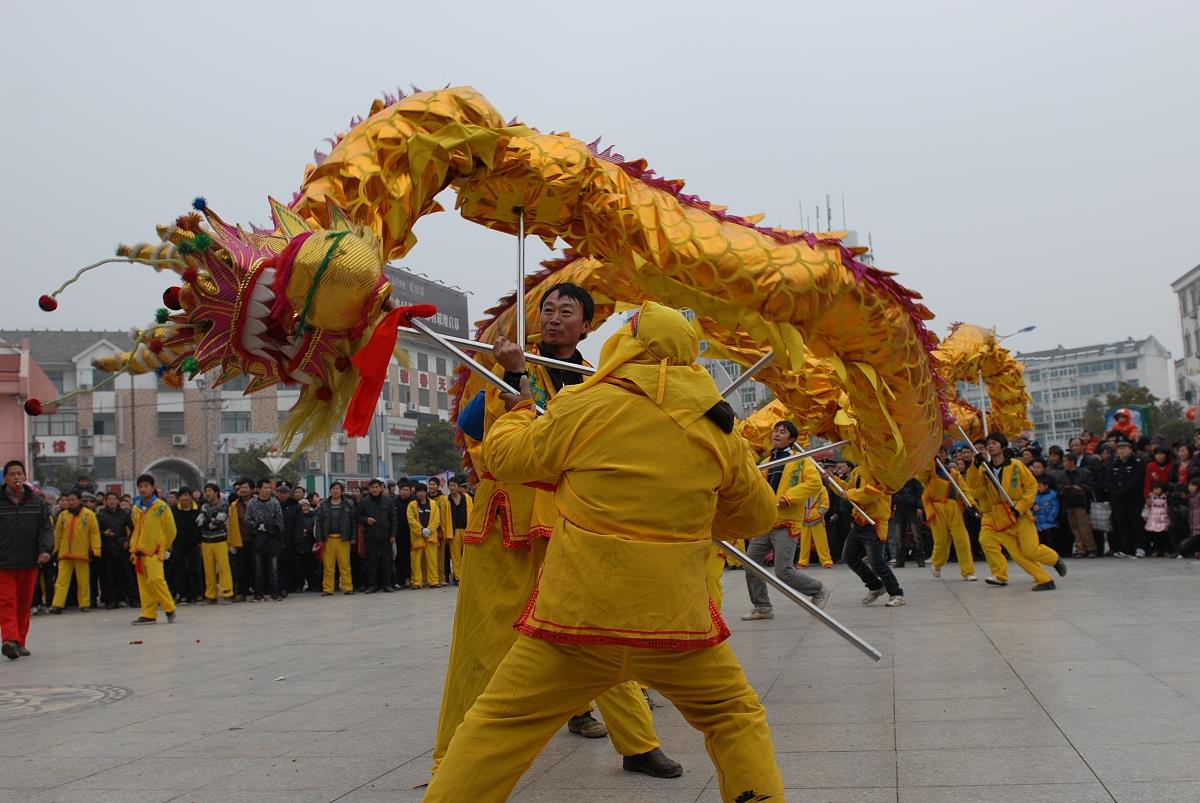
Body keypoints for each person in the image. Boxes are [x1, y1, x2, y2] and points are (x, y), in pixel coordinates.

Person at [424, 301, 784, 803]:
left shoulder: (584, 405)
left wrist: (518, 411)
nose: (552, 318)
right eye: (547, 310)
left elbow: (506, 458)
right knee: (734, 716)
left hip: (574, 622)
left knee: (498, 727)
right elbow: (756, 517)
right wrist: (697, 517)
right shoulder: (719, 430)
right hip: (678, 626)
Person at [433, 283, 678, 780]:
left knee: (598, 631)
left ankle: (637, 743)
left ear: (586, 325)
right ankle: (451, 759)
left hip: (574, 520)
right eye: (548, 309)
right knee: (483, 643)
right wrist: (512, 373)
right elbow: (483, 434)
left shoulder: (597, 380)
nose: (554, 318)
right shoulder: (505, 363)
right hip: (508, 522)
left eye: (568, 311)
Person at [741, 420, 831, 620]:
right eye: (775, 431)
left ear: (791, 439)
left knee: (783, 572)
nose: (777, 434)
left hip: (786, 524)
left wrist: (788, 497)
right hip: (765, 522)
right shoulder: (766, 463)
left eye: (782, 432)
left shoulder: (801, 460)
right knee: (750, 563)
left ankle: (818, 590)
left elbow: (814, 484)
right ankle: (762, 607)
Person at [965, 433, 1066, 591]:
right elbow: (975, 491)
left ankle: (1054, 559)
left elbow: (1031, 486)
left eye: (994, 443)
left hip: (1019, 512)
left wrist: (1020, 507)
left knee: (1030, 549)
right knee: (1017, 554)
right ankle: (1044, 580)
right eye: (988, 444)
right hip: (1000, 516)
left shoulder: (1016, 465)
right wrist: (974, 467)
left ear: (1003, 446)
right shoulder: (985, 470)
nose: (990, 446)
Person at [0, 461, 52, 658]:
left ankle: (19, 642)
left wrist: (46, 550)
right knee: (6, 602)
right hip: (3, 563)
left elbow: (46, 529)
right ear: (5, 478)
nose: (16, 477)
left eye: (19, 474)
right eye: (12, 474)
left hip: (29, 561)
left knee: (23, 604)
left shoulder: (36, 502)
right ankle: (9, 640)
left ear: (25, 477)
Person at [837, 464, 906, 606]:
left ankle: (896, 593)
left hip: (875, 522)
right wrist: (833, 480)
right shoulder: (857, 470)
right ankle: (875, 586)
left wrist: (849, 494)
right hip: (859, 521)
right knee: (850, 557)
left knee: (876, 561)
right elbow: (848, 488)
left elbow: (872, 494)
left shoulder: (879, 470)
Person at [922, 447, 977, 581]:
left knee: (962, 539)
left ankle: (967, 571)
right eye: (936, 451)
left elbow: (964, 490)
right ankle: (937, 562)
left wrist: (972, 504)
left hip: (954, 507)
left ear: (945, 454)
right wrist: (929, 462)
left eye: (941, 451)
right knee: (941, 540)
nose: (939, 454)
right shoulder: (929, 472)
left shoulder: (954, 473)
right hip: (936, 508)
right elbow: (920, 476)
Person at [129, 473, 178, 624]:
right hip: (139, 551)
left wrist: (164, 546)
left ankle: (169, 607)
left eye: (146, 486)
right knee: (144, 585)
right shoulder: (136, 509)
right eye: (140, 487)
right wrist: (133, 548)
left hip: (155, 550)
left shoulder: (161, 507)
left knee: (156, 580)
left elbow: (171, 530)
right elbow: (136, 529)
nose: (143, 489)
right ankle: (148, 614)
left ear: (152, 488)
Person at [48, 489, 100, 613]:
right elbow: (57, 534)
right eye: (68, 500)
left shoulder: (89, 515)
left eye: (72, 500)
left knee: (83, 580)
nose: (70, 502)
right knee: (61, 581)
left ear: (79, 500)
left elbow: (94, 533)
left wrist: (95, 550)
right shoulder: (63, 515)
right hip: (64, 553)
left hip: (82, 553)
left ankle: (84, 603)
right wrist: (55, 549)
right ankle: (57, 604)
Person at [1104, 437, 1145, 558]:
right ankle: (1126, 548)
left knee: (1136, 523)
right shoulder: (1113, 463)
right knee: (1122, 524)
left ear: (1130, 449)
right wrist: (1116, 491)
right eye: (1119, 448)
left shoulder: (1137, 463)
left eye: (1124, 448)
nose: (1121, 451)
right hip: (1117, 499)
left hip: (1133, 498)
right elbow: (1109, 479)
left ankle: (1139, 547)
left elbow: (1137, 480)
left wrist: (1124, 490)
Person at [246, 479, 284, 601]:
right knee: (258, 569)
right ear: (258, 489)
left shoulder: (275, 503)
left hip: (272, 540)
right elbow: (247, 520)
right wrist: (257, 525)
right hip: (258, 540)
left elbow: (280, 521)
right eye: (265, 488)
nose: (267, 490)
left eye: (269, 488)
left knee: (273, 569)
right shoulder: (252, 503)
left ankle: (275, 594)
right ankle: (259, 595)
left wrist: (269, 526)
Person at [316, 481, 355, 595]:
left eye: (337, 489)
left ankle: (347, 587)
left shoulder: (349, 504)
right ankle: (328, 589)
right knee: (328, 566)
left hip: (344, 539)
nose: (335, 491)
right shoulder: (323, 504)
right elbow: (318, 523)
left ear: (342, 491)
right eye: (333, 489)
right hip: (328, 539)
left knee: (345, 565)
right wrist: (319, 539)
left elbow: (353, 522)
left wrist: (353, 537)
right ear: (330, 490)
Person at [197, 483, 233, 603]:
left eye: (210, 491)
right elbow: (199, 522)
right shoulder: (204, 506)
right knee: (208, 569)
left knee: (223, 568)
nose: (207, 493)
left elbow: (219, 521)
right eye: (206, 491)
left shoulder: (223, 505)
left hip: (220, 540)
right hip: (206, 541)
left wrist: (209, 521)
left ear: (216, 492)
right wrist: (210, 520)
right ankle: (211, 595)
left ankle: (227, 592)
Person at [358, 478, 396, 593]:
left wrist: (393, 534)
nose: (374, 489)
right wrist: (366, 519)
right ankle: (372, 585)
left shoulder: (388, 501)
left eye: (377, 487)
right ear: (369, 489)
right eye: (372, 487)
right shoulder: (364, 502)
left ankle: (387, 584)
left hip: (385, 536)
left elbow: (393, 519)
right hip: (370, 536)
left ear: (381, 488)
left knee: (386, 561)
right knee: (371, 562)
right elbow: (358, 516)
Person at [96, 491, 132, 608]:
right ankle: (112, 600)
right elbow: (94, 532)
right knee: (109, 575)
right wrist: (103, 533)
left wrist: (128, 540)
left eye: (114, 499)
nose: (112, 501)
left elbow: (133, 529)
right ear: (105, 501)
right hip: (107, 547)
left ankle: (129, 597)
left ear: (118, 501)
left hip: (121, 546)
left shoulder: (125, 514)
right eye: (109, 499)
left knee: (125, 573)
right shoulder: (100, 515)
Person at [1059, 453, 1098, 558]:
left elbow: (1091, 487)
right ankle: (1080, 548)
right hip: (1068, 504)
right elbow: (1059, 487)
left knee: (1085, 527)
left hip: (1081, 503)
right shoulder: (1063, 475)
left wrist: (1080, 488)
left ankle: (1091, 548)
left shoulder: (1084, 473)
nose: (1063, 464)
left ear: (1071, 462)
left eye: (1065, 461)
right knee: (1074, 529)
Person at [169, 486, 203, 604]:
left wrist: (200, 541)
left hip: (194, 544)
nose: (185, 498)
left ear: (191, 497)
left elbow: (201, 528)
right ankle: (183, 594)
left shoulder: (197, 509)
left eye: (187, 495)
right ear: (179, 498)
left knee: (195, 569)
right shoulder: (173, 510)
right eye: (182, 495)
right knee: (180, 570)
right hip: (178, 544)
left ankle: (197, 594)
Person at [406, 485, 440, 589]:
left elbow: (436, 519)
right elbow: (411, 520)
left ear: (426, 492)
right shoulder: (412, 505)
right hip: (417, 537)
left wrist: (430, 529)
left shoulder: (434, 504)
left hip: (430, 536)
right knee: (416, 561)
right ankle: (416, 582)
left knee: (432, 560)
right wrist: (421, 530)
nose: (420, 494)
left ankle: (433, 581)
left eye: (422, 491)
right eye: (418, 492)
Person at [227, 479, 254, 601]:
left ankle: (258, 590)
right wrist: (231, 542)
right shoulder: (234, 505)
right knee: (241, 567)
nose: (242, 490)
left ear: (252, 490)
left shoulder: (256, 502)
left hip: (255, 539)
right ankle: (242, 592)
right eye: (240, 488)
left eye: (245, 487)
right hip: (241, 540)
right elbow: (231, 524)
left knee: (256, 567)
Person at [275, 482, 300, 598]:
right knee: (278, 565)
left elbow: (299, 523)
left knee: (290, 564)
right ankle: (281, 587)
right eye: (280, 492)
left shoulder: (295, 505)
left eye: (285, 492)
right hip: (276, 539)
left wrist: (296, 538)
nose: (283, 494)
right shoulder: (273, 504)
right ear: (277, 493)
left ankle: (292, 586)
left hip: (291, 539)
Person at [445, 476, 472, 584]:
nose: (452, 488)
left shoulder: (467, 498)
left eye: (454, 485)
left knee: (467, 554)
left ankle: (468, 576)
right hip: (454, 530)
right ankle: (458, 577)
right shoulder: (446, 500)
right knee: (455, 555)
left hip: (466, 529)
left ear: (458, 487)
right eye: (450, 485)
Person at [1142, 481, 1171, 556]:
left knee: (1164, 535)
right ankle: (1157, 550)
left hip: (1164, 518)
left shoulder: (1167, 496)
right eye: (1154, 489)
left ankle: (1166, 550)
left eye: (1158, 489)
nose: (1156, 490)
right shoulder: (1151, 496)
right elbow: (1148, 507)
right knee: (1155, 536)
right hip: (1153, 518)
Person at [1033, 476, 1060, 549]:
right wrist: (1034, 509)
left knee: (1050, 542)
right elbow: (1035, 509)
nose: (1038, 488)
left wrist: (1051, 519)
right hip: (1039, 523)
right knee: (1042, 542)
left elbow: (1055, 508)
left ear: (1046, 486)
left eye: (1040, 486)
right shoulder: (1037, 496)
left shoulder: (1052, 495)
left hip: (1050, 523)